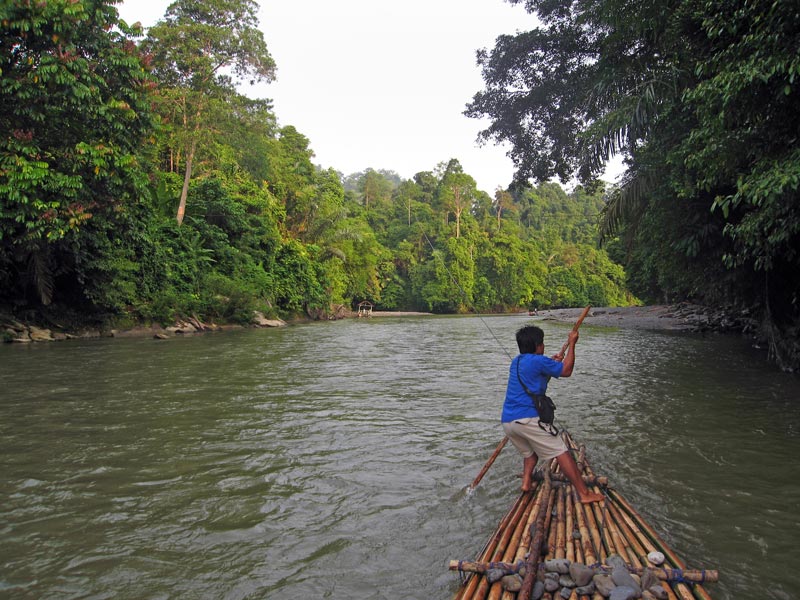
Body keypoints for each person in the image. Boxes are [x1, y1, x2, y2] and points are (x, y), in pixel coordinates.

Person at [501, 325, 604, 503]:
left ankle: (526, 482)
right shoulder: (539, 361)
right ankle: (584, 494)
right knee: (561, 451)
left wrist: (552, 363)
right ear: (538, 345)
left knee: (530, 454)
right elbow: (566, 371)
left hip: (509, 422)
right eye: (542, 343)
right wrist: (572, 344)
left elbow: (537, 378)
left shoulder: (516, 362)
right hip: (528, 420)